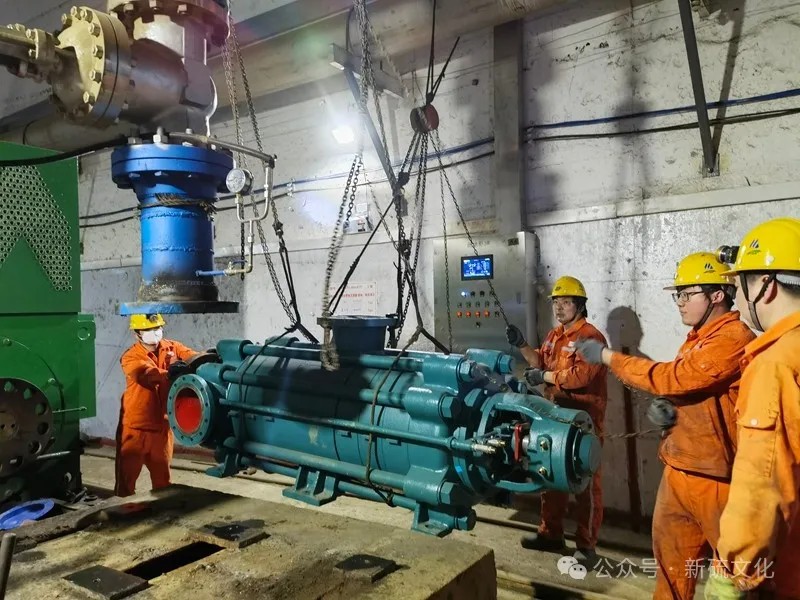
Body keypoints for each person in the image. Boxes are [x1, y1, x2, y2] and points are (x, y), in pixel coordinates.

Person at [574, 252, 755, 600]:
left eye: (687, 294)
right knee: (671, 566)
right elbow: (692, 388)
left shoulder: (734, 337)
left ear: (717, 295)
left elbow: (675, 377)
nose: (680, 302)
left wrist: (608, 356)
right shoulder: (697, 337)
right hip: (679, 469)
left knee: (737, 574)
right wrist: (673, 411)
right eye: (678, 295)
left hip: (718, 478)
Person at [702, 218, 800, 600]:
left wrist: (733, 573)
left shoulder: (775, 364)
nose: (738, 302)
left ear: (765, 285)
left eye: (739, 286)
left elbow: (761, 486)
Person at [506, 275, 608, 564]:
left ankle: (586, 546)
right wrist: (522, 344)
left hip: (584, 422)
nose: (559, 307)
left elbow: (581, 376)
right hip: (554, 418)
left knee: (585, 486)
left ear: (580, 305)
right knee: (549, 475)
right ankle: (550, 534)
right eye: (556, 302)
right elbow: (539, 361)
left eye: (566, 302)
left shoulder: (591, 337)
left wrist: (546, 376)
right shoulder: (554, 335)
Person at [115, 314, 198, 497]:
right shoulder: (130, 357)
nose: (154, 332)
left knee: (163, 482)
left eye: (157, 328)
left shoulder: (173, 347)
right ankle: (124, 512)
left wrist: (208, 359)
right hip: (135, 429)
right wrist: (169, 374)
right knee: (126, 483)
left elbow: (192, 357)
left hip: (162, 428)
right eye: (148, 329)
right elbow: (146, 374)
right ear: (137, 334)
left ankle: (162, 510)